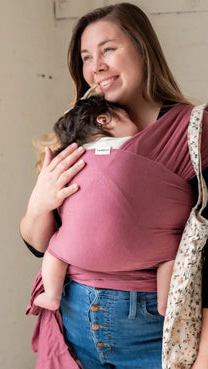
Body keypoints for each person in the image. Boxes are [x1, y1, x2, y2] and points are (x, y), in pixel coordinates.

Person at [20, 3, 208, 369]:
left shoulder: (198, 130)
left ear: (143, 48)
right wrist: (38, 203)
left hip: (155, 337)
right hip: (73, 327)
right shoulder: (83, 130)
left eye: (108, 49)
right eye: (87, 57)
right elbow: (40, 244)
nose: (96, 66)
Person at [34, 95, 174, 315]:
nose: (138, 128)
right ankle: (166, 304)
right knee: (171, 254)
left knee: (54, 251)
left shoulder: (70, 159)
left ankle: (52, 294)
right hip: (142, 253)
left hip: (75, 251)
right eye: (128, 118)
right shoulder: (135, 148)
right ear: (105, 121)